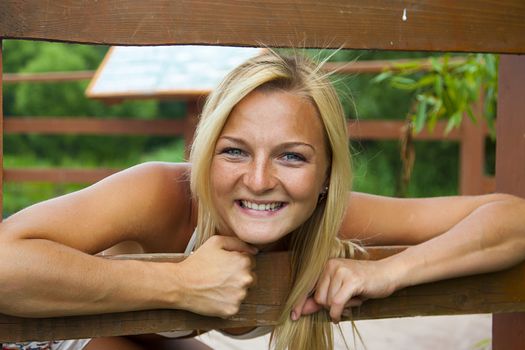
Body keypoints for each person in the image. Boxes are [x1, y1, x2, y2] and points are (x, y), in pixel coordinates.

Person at [0, 50, 524, 350]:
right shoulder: (161, 193)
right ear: (205, 154)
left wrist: (388, 272)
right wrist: (180, 283)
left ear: (325, 176)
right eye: (234, 152)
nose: (258, 179)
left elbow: (513, 219)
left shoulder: (325, 210)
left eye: (292, 157)